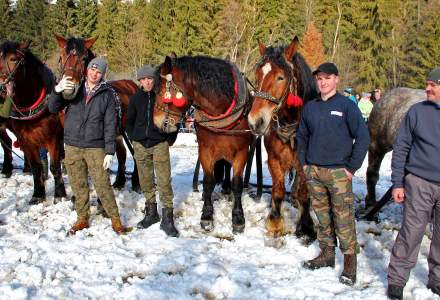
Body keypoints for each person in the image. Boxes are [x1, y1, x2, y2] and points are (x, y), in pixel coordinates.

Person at [297, 62, 370, 286]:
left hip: (339, 172)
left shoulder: (347, 106)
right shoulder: (311, 107)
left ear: (336, 80)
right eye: (319, 79)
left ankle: (350, 264)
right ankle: (327, 254)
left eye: (327, 78)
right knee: (321, 216)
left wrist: (351, 168)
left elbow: (363, 137)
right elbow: (302, 137)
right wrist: (305, 164)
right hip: (315, 171)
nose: (323, 82)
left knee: (344, 218)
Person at [48, 57, 128, 235]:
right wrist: (56, 91)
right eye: (92, 70)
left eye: (99, 72)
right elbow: (53, 108)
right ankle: (82, 218)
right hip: (73, 145)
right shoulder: (73, 90)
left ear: (102, 75)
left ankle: (115, 219)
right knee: (78, 184)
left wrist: (109, 151)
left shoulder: (107, 95)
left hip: (95, 147)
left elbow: (110, 124)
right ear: (87, 70)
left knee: (102, 184)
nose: (94, 74)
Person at [387, 67, 440, 299]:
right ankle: (397, 280)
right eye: (427, 83)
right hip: (419, 182)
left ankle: (437, 279)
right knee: (411, 232)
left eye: (433, 85)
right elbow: (401, 148)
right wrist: (398, 182)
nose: (427, 88)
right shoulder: (416, 112)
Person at [126, 64, 179, 237]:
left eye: (150, 79)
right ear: (140, 81)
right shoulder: (135, 99)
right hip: (140, 145)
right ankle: (151, 212)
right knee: (146, 180)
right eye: (144, 79)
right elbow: (129, 121)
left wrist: (169, 137)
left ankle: (168, 217)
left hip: (159, 144)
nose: (147, 82)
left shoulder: (162, 97)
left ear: (154, 80)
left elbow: (173, 119)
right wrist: (134, 137)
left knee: (164, 180)